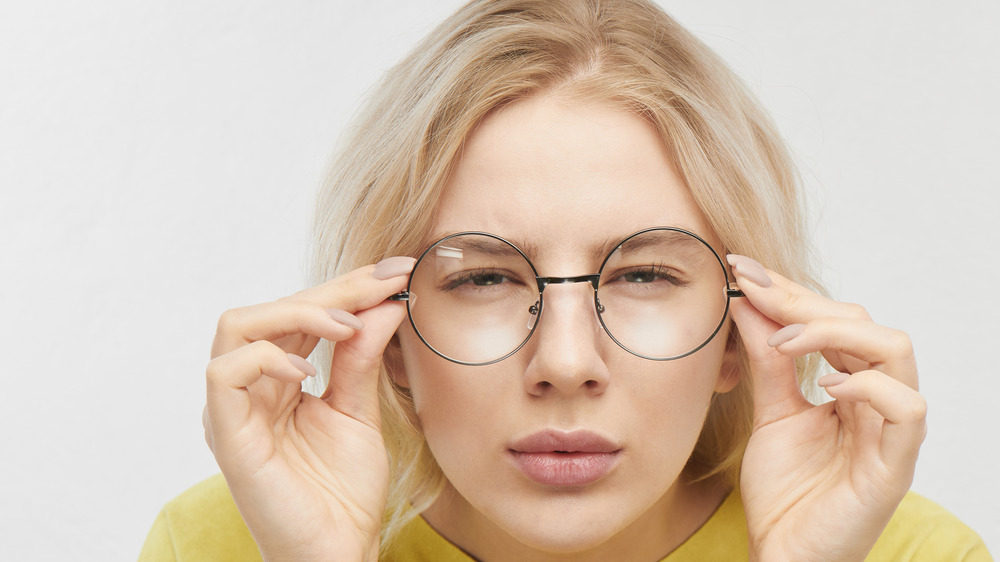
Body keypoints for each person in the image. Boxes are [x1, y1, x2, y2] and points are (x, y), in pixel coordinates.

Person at [141, 0, 991, 560]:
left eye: (647, 273)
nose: (566, 361)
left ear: (740, 333)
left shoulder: (905, 552)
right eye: (482, 280)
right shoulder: (229, 539)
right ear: (389, 336)